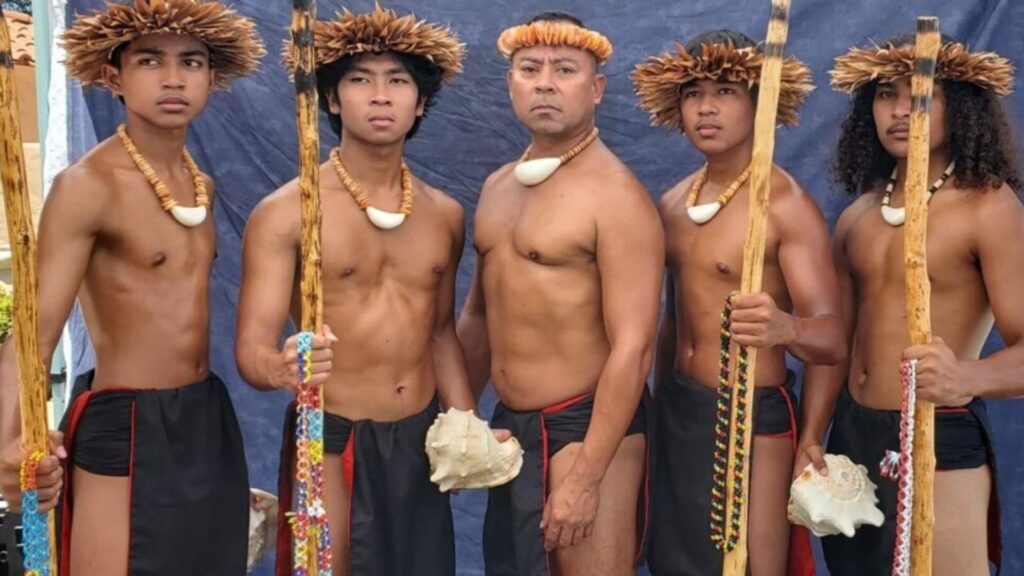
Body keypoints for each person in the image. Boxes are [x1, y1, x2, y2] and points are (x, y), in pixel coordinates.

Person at [0, 1, 265, 574]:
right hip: (123, 420)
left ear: (211, 78)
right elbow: (33, 330)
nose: (173, 78)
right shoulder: (88, 185)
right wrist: (7, 440)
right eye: (150, 61)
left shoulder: (203, 186)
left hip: (203, 412)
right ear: (115, 76)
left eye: (190, 62)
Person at [234, 5, 480, 575]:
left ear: (419, 104)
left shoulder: (443, 213)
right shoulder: (288, 212)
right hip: (330, 435)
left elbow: (440, 331)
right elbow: (251, 350)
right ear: (331, 99)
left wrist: (464, 422)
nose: (380, 95)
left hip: (419, 436)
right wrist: (282, 367)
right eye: (360, 80)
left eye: (397, 82)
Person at [456, 11, 663, 576]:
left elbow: (635, 348)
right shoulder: (499, 186)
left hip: (588, 428)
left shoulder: (617, 196)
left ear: (595, 89)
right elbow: (478, 313)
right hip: (513, 428)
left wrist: (588, 475)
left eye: (565, 69)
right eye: (530, 68)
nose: (545, 82)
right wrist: (458, 421)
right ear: (510, 83)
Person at [632, 29, 844, 576]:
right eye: (693, 92)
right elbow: (671, 321)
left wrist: (785, 329)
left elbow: (832, 339)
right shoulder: (674, 203)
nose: (705, 107)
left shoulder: (786, 206)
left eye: (725, 91)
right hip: (679, 408)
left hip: (752, 415)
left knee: (750, 564)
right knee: (676, 561)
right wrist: (654, 404)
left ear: (759, 101)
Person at [820, 34, 1022, 576]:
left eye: (922, 95)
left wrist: (967, 376)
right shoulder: (859, 215)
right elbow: (837, 346)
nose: (901, 110)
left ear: (963, 107)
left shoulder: (988, 206)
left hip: (937, 429)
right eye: (887, 95)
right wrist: (813, 440)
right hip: (852, 434)